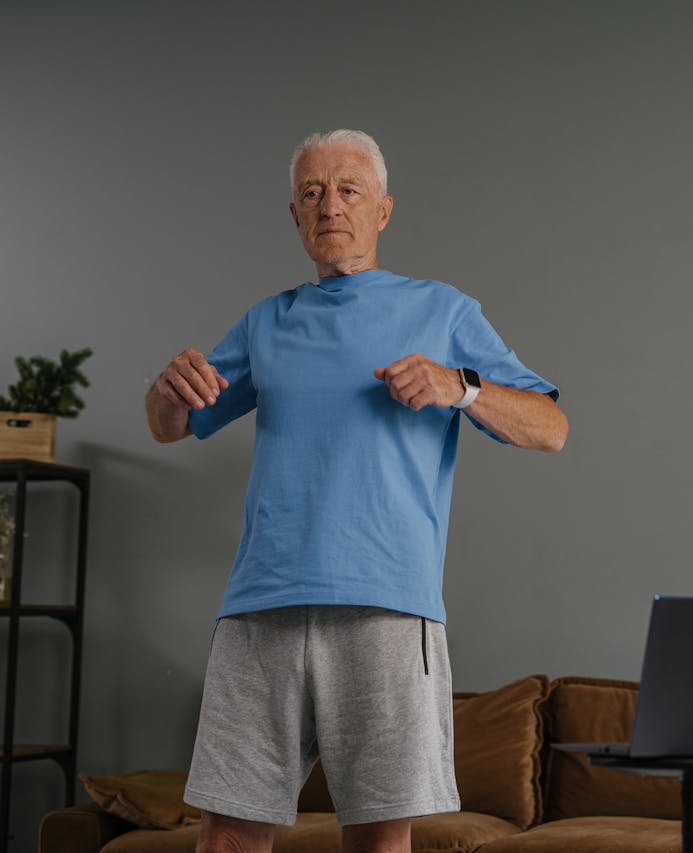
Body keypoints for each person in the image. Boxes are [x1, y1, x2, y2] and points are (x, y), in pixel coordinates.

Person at [144, 128, 567, 853]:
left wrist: (459, 385)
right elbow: (168, 426)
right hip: (260, 608)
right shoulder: (265, 322)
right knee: (225, 836)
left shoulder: (444, 311)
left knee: (377, 838)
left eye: (348, 190)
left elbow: (550, 426)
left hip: (387, 607)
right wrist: (167, 391)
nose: (329, 205)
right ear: (294, 215)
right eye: (311, 192)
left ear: (383, 210)